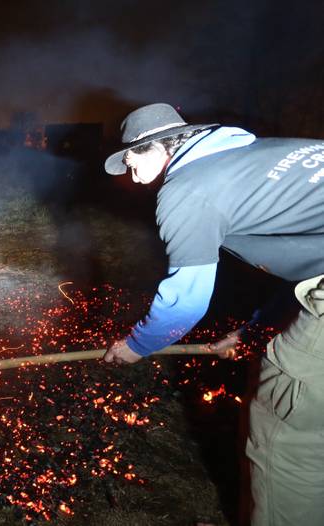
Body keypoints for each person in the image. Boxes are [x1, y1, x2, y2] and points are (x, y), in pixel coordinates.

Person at [102, 103, 324, 526]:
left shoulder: (187, 188)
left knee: (286, 432)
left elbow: (185, 302)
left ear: (156, 148)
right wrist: (253, 330)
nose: (132, 176)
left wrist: (137, 346)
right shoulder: (260, 156)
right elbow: (313, 264)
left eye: (132, 162)